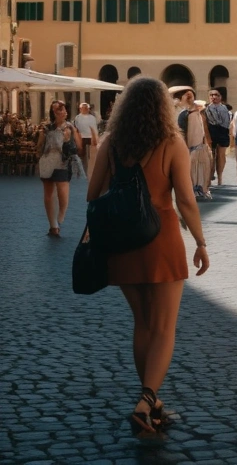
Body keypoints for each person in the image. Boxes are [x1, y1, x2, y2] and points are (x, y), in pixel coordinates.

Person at [87, 76, 209, 436]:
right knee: (164, 327)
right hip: (161, 239)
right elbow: (185, 200)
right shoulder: (172, 142)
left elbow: (93, 194)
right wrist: (201, 242)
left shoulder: (111, 142)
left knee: (143, 324)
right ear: (162, 107)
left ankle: (151, 402)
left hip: (123, 244)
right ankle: (146, 400)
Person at [37, 100, 83, 236]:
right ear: (53, 113)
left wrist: (68, 141)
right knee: (48, 194)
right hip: (47, 162)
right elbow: (39, 146)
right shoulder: (46, 128)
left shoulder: (70, 127)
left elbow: (79, 147)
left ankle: (60, 219)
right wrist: (40, 139)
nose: (63, 112)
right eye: (59, 110)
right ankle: (53, 226)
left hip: (63, 162)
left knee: (63, 195)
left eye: (63, 109)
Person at [173, 88, 212, 200]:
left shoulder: (197, 113)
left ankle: (199, 188)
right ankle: (194, 189)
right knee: (192, 169)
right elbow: (182, 132)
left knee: (199, 169)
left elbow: (203, 129)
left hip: (199, 146)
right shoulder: (183, 114)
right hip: (190, 147)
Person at [204, 90, 232, 187]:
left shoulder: (225, 109)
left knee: (221, 155)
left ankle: (220, 176)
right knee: (211, 156)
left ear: (220, 97)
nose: (214, 97)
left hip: (223, 132)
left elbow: (227, 123)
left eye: (216, 95)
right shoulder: (206, 109)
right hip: (211, 132)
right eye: (211, 95)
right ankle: (210, 176)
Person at [73, 102, 99, 175]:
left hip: (90, 137)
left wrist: (96, 137)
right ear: (80, 109)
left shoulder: (92, 118)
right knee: (81, 153)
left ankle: (91, 169)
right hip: (82, 137)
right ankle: (81, 170)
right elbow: (76, 128)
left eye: (87, 108)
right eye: (83, 108)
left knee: (92, 154)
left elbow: (94, 128)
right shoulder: (77, 118)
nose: (85, 109)